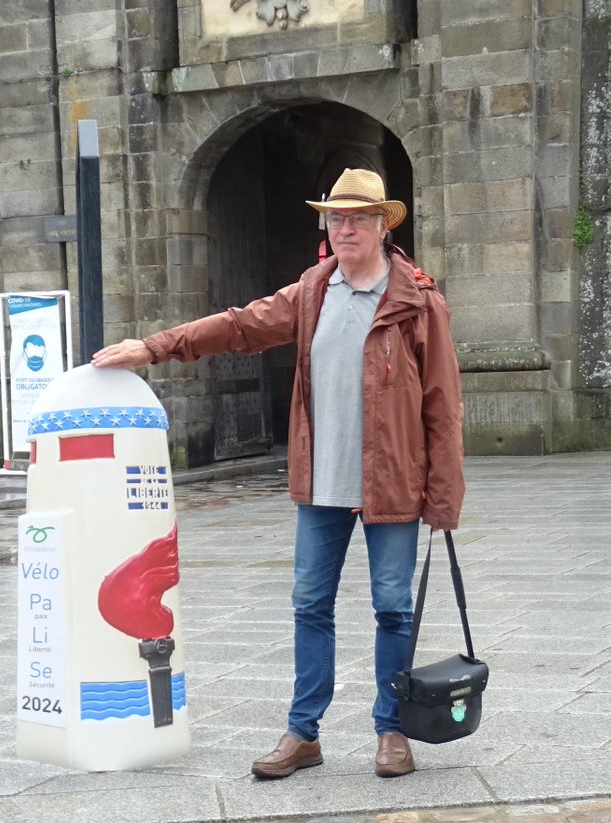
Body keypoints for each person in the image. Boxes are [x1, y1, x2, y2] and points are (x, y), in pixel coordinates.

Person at [93, 168, 465, 780]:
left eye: (358, 218)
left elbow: (443, 410)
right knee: (309, 604)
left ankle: (392, 729)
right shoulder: (313, 291)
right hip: (321, 483)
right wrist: (154, 347)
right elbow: (238, 326)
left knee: (393, 607)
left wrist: (443, 501)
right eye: (335, 218)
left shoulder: (418, 304)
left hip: (394, 486)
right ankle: (303, 733)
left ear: (382, 226)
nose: (345, 228)